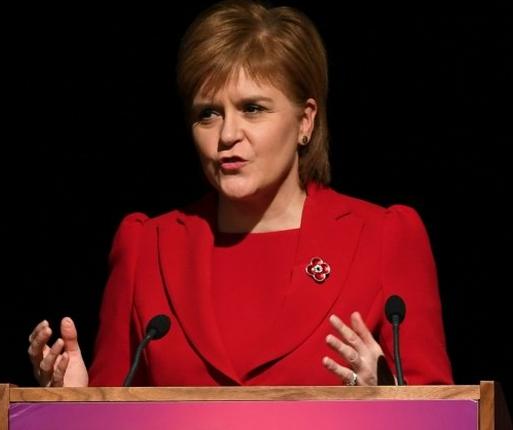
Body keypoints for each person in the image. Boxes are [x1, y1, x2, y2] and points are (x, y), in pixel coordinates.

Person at [27, 0, 452, 387]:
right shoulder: (145, 247)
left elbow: (442, 413)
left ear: (305, 122)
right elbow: (116, 407)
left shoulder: (384, 237)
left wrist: (387, 395)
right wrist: (74, 401)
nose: (228, 134)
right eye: (208, 113)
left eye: (253, 108)